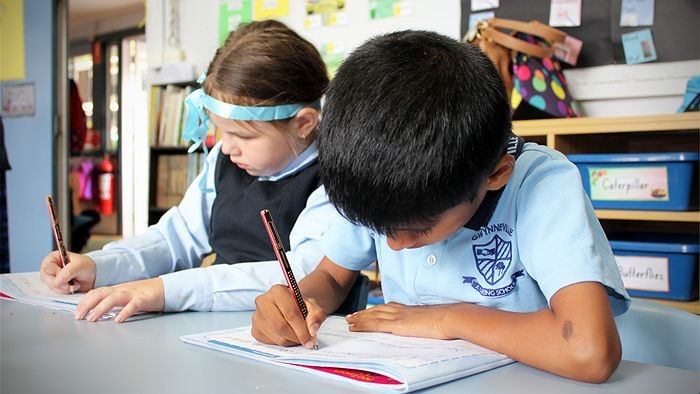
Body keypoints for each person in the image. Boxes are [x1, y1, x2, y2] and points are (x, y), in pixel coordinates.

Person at [250, 30, 630, 384]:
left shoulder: (541, 185)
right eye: (380, 230)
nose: (395, 246)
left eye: (419, 229)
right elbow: (333, 277)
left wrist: (448, 319)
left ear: (495, 175)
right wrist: (299, 303)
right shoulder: (380, 182)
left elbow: (588, 351)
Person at [39, 20, 337, 322]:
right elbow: (176, 238)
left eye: (244, 136)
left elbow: (307, 273)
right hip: (218, 327)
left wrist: (168, 290)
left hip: (297, 337)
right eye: (222, 132)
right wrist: (100, 265)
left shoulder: (332, 179)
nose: (227, 147)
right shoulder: (224, 159)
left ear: (303, 124)